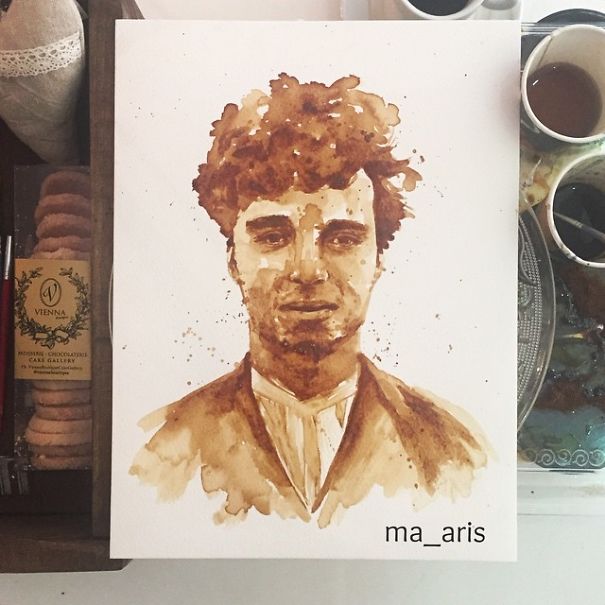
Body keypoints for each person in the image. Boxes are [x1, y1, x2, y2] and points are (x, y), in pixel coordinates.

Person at [130, 73, 488, 528]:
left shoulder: (453, 451)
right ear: (234, 260)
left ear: (378, 260)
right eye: (273, 237)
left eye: (343, 239)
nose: (307, 270)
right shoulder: (160, 452)